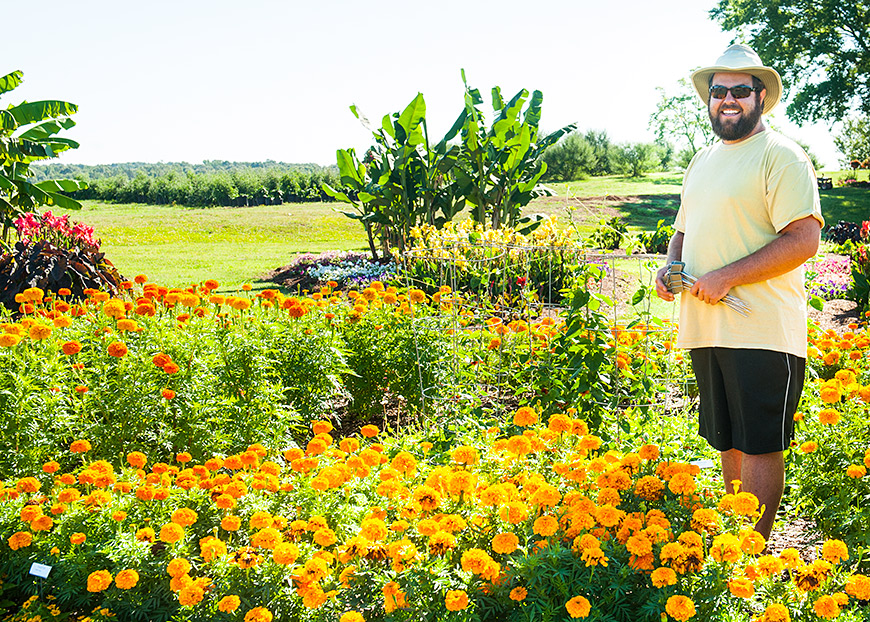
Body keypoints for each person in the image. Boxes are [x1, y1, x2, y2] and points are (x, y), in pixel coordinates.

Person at [655, 44, 824, 540]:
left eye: (740, 90)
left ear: (762, 96)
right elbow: (684, 231)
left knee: (760, 444)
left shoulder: (782, 156)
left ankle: (755, 554)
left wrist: (727, 276)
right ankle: (735, 543)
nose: (728, 99)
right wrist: (670, 267)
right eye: (719, 90)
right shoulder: (703, 160)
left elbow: (804, 239)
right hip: (707, 326)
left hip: (762, 328)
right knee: (728, 439)